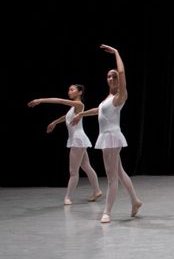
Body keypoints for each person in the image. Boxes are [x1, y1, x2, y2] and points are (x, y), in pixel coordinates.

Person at [72, 45, 142, 224]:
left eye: (114, 76)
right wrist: (82, 114)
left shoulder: (121, 95)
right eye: (109, 76)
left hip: (112, 137)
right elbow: (100, 111)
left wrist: (117, 53)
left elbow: (122, 71)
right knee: (119, 172)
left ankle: (107, 212)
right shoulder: (108, 98)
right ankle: (135, 201)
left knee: (111, 177)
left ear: (119, 80)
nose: (111, 78)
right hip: (107, 137)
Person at [28, 85, 102, 205]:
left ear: (80, 92)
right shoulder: (73, 108)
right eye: (68, 90)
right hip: (78, 139)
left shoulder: (79, 105)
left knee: (73, 171)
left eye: (72, 90)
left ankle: (68, 197)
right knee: (86, 166)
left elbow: (60, 101)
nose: (69, 92)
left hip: (77, 140)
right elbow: (66, 117)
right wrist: (55, 122)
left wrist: (40, 100)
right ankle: (97, 190)